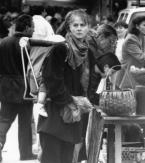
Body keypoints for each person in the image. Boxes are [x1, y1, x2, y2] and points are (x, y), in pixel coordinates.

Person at [37, 9, 93, 163]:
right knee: (52, 157)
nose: (79, 28)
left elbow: (89, 81)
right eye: (75, 25)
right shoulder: (61, 48)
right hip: (55, 111)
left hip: (72, 115)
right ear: (69, 27)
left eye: (83, 25)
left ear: (88, 27)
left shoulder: (86, 52)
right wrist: (69, 100)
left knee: (67, 157)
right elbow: (51, 78)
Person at [0, 14, 37, 162]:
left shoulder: (3, 43)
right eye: (32, 27)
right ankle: (26, 153)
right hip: (24, 89)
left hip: (5, 88)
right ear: (27, 27)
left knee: (4, 119)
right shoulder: (27, 43)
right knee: (25, 123)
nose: (34, 30)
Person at [116, 15, 145, 89]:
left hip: (136, 77)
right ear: (137, 26)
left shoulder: (141, 37)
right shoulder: (131, 39)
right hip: (126, 79)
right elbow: (142, 58)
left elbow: (142, 61)